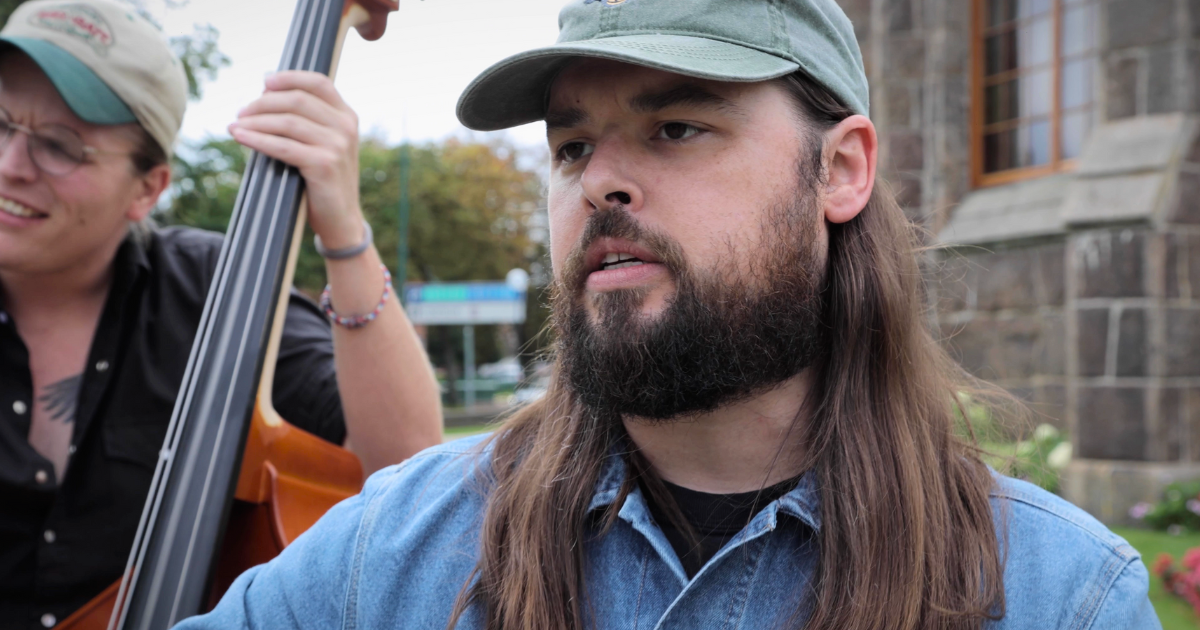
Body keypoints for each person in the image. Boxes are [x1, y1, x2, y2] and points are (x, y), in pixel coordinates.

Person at [180, 0, 1160, 629]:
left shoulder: (1058, 595)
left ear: (843, 168)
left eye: (676, 128)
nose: (600, 180)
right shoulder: (388, 558)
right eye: (570, 148)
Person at [0, 0, 443, 627]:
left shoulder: (215, 289)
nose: (10, 166)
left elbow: (405, 470)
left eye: (58, 146)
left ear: (148, 188)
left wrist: (344, 228)